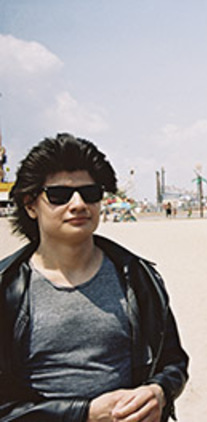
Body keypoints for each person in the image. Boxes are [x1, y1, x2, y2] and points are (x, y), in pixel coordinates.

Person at [0, 134, 189, 421]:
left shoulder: (137, 276)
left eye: (90, 193)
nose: (78, 204)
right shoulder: (7, 287)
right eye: (59, 195)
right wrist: (84, 414)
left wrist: (159, 392)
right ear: (30, 205)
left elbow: (173, 362)